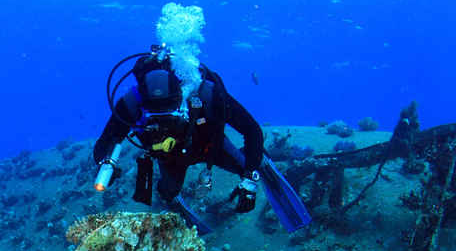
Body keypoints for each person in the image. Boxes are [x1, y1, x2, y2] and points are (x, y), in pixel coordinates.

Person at [92, 44, 309, 234]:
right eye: (155, 114)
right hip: (170, 158)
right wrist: (106, 164)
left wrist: (249, 181)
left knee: (247, 165)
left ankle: (260, 162)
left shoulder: (206, 94)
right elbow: (104, 143)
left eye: (169, 110)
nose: (164, 119)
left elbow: (251, 129)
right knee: (167, 192)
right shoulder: (130, 104)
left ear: (182, 94)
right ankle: (176, 206)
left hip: (209, 145)